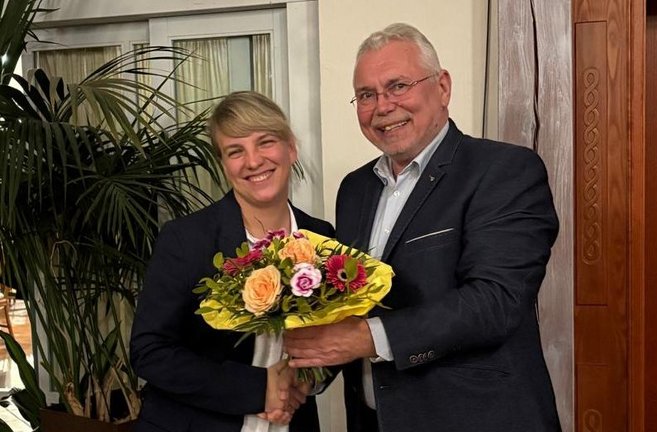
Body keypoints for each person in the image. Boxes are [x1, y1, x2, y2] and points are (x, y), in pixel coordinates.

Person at [283, 23, 561, 432]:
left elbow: (495, 301)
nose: (382, 106)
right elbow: (352, 306)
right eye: (366, 95)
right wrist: (309, 369)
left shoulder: (504, 170)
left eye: (397, 86)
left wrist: (366, 338)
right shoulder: (355, 189)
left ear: (443, 87)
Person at [130, 91, 333, 432]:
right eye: (235, 151)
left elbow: (335, 336)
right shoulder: (186, 239)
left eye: (265, 142)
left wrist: (306, 380)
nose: (253, 161)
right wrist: (259, 389)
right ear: (223, 164)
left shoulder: (321, 237)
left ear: (291, 148)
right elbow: (149, 351)